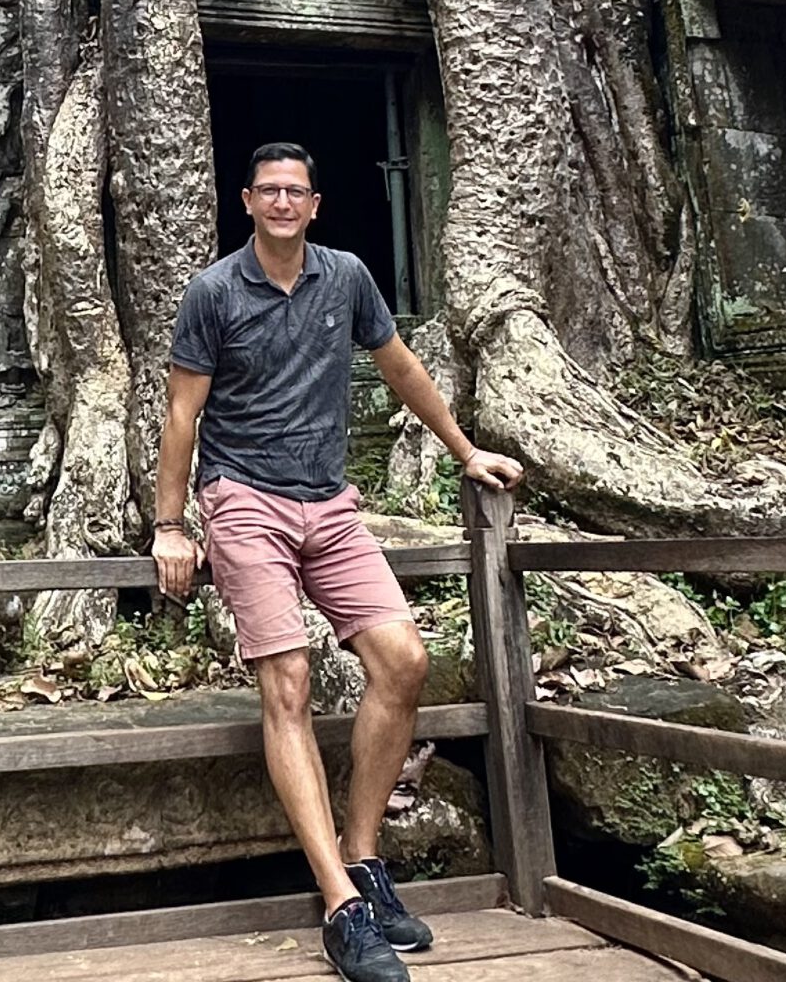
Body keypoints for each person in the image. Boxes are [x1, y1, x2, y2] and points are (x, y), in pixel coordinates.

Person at [151, 140, 523, 982]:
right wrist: (172, 524)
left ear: (315, 205)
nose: (283, 202)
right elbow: (182, 415)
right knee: (288, 683)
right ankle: (340, 905)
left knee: (404, 659)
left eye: (297, 192)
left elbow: (401, 368)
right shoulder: (213, 292)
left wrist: (465, 450)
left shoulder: (346, 276)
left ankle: (362, 857)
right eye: (269, 191)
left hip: (329, 501)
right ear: (246, 202)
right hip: (243, 499)